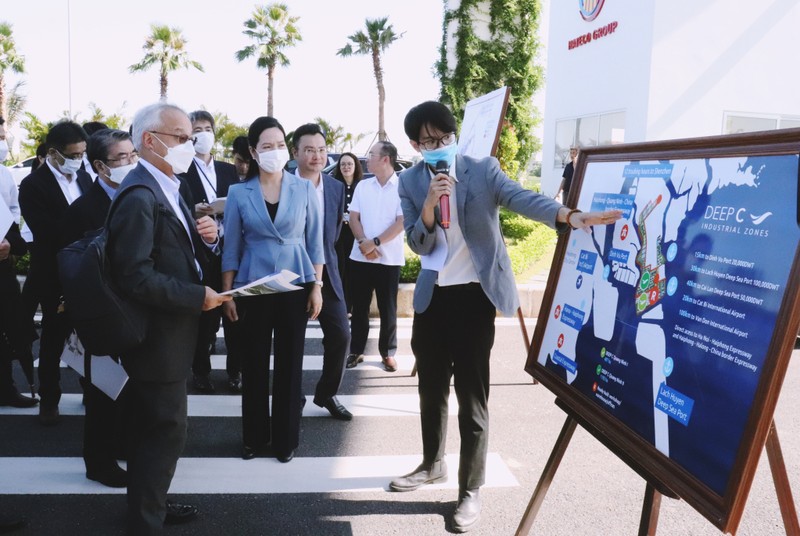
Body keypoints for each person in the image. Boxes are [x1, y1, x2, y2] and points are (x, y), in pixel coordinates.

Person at [390, 101, 622, 533]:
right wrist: (427, 205)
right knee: (431, 390)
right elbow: (417, 244)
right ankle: (432, 463)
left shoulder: (482, 170)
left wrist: (570, 215)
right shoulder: (408, 181)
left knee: (472, 397)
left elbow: (523, 199)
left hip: (475, 299)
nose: (437, 147)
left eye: (442, 138)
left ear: (453, 135)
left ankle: (470, 489)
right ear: (414, 146)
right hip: (432, 300)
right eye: (427, 142)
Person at [106, 102, 229, 534]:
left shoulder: (166, 186)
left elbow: (167, 252)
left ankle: (151, 504)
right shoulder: (140, 194)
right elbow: (134, 276)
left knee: (157, 430)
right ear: (149, 141)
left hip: (171, 333)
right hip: (157, 339)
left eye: (190, 137)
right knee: (164, 431)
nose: (189, 144)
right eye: (180, 137)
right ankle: (145, 520)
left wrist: (203, 241)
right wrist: (197, 296)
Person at [221, 116, 323, 462]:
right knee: (253, 364)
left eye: (280, 145)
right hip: (253, 287)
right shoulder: (238, 192)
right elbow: (231, 247)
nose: (275, 151)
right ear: (253, 151)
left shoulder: (304, 188)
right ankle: (253, 437)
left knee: (290, 365)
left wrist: (317, 287)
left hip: (295, 284)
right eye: (267, 146)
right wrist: (228, 293)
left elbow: (316, 243)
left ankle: (285, 440)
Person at [60, 129, 137, 489]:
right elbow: (74, 265)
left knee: (127, 388)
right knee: (101, 391)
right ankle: (99, 462)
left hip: (132, 309)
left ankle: (122, 443)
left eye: (133, 155)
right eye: (122, 158)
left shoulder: (135, 195)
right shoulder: (83, 209)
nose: (131, 163)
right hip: (99, 310)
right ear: (99, 166)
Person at [18, 121, 92, 425]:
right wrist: (88, 233)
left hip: (90, 271)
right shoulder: (34, 185)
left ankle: (93, 389)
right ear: (53, 153)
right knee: (53, 338)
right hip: (54, 273)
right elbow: (46, 232)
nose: (79, 159)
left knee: (93, 337)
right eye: (73, 154)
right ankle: (49, 398)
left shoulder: (86, 178)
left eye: (83, 153)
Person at [292, 123, 353, 421]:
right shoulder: (282, 184)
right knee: (292, 342)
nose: (316, 156)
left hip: (327, 274)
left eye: (321, 150)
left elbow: (335, 237)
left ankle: (326, 393)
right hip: (290, 274)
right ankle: (293, 398)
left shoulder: (336, 187)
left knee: (341, 336)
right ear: (296, 153)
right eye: (309, 150)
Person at [181, 110, 241, 394]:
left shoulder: (228, 170)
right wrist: (195, 211)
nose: (202, 133)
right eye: (197, 129)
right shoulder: (182, 170)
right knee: (204, 321)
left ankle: (235, 371)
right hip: (201, 253)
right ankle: (201, 372)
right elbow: (177, 208)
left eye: (207, 128)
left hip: (230, 251)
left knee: (234, 317)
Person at [345, 142, 404, 372]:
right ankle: (356, 350)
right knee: (359, 307)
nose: (367, 159)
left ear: (385, 159)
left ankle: (387, 352)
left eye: (372, 155)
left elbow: (401, 222)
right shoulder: (363, 186)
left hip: (388, 259)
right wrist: (363, 244)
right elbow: (353, 218)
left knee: (388, 308)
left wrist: (375, 243)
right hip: (360, 257)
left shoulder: (402, 187)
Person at [0, 149, 37, 409]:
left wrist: (9, 246)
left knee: (8, 330)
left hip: (2, 272)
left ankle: (5, 389)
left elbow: (14, 232)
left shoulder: (2, 175)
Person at [331, 152, 363, 315]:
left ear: (355, 165)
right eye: (343, 164)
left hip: (357, 234)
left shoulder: (362, 185)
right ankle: (342, 306)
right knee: (340, 269)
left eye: (349, 164)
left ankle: (352, 305)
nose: (346, 167)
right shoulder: (335, 185)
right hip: (339, 234)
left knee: (354, 271)